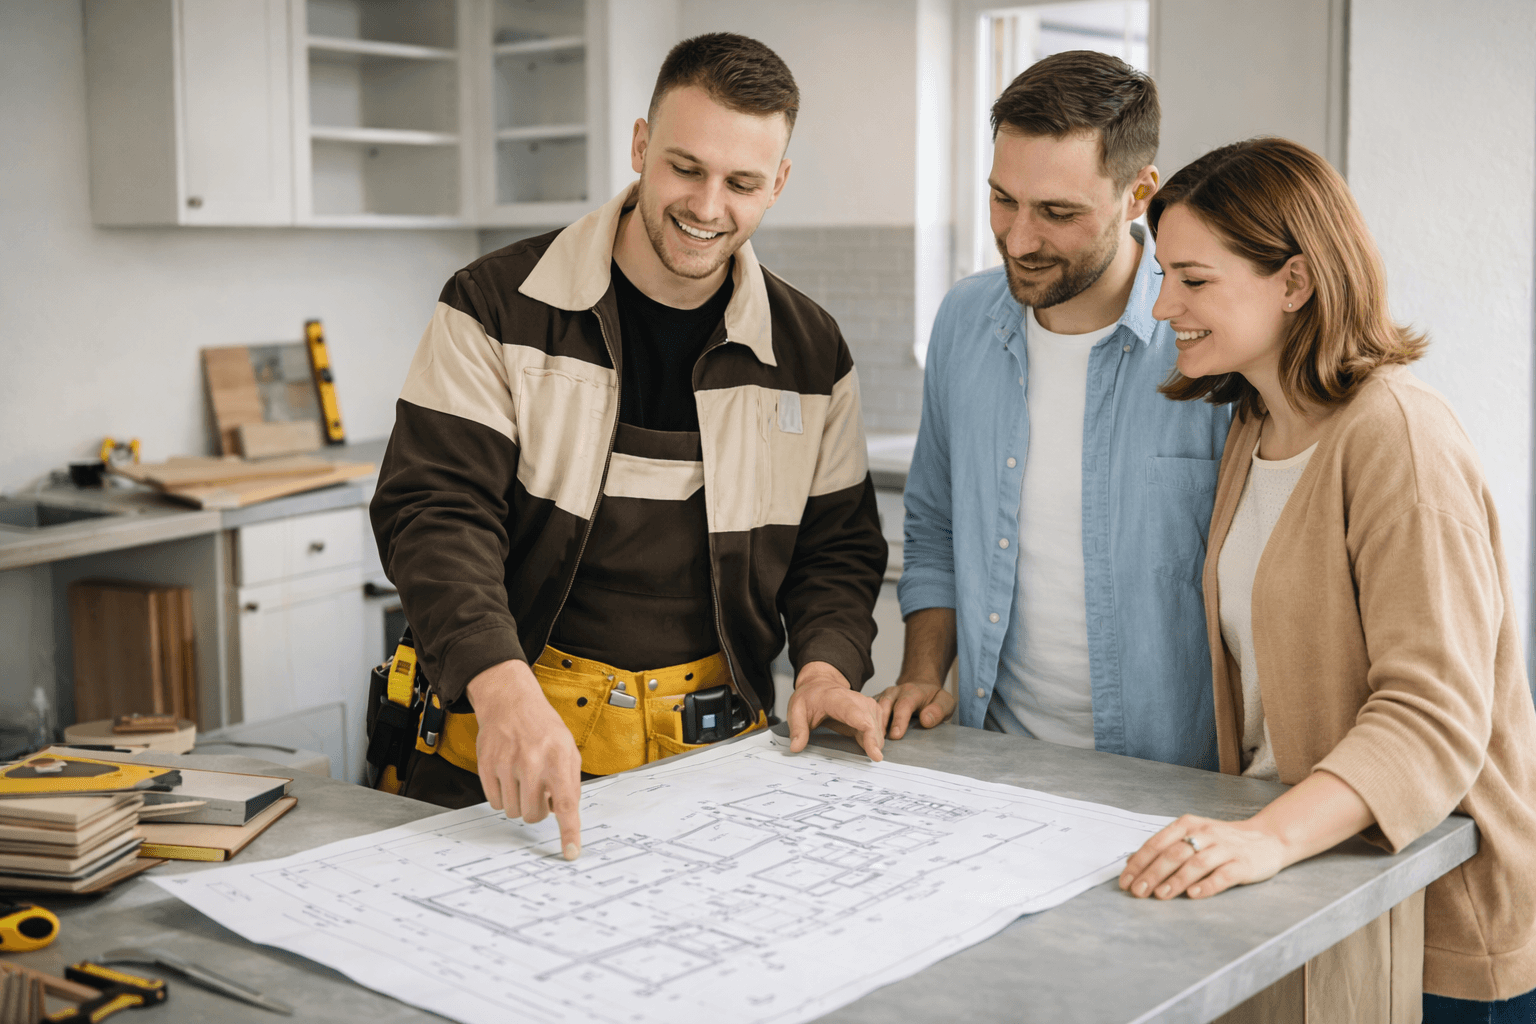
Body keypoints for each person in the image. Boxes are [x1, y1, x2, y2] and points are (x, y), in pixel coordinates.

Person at [369, 33, 888, 861]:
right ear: (641, 146)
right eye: (686, 167)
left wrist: (826, 670)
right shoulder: (494, 305)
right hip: (500, 751)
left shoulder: (810, 350)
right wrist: (500, 689)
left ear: (777, 185)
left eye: (743, 182)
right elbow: (435, 512)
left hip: (718, 770)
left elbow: (837, 551)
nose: (709, 205)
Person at [1119, 137, 1536, 1020]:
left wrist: (1265, 841)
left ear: (1295, 283)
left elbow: (1432, 719)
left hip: (1441, 917)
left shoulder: (1399, 438)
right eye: (1164, 275)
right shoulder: (1253, 427)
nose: (1163, 307)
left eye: (1193, 280)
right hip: (1325, 887)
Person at [880, 51, 1229, 766]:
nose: (1018, 238)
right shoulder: (963, 321)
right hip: (993, 756)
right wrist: (922, 673)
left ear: (1140, 195)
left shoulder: (1208, 344)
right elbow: (935, 525)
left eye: (1058, 212)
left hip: (1170, 781)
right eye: (1003, 199)